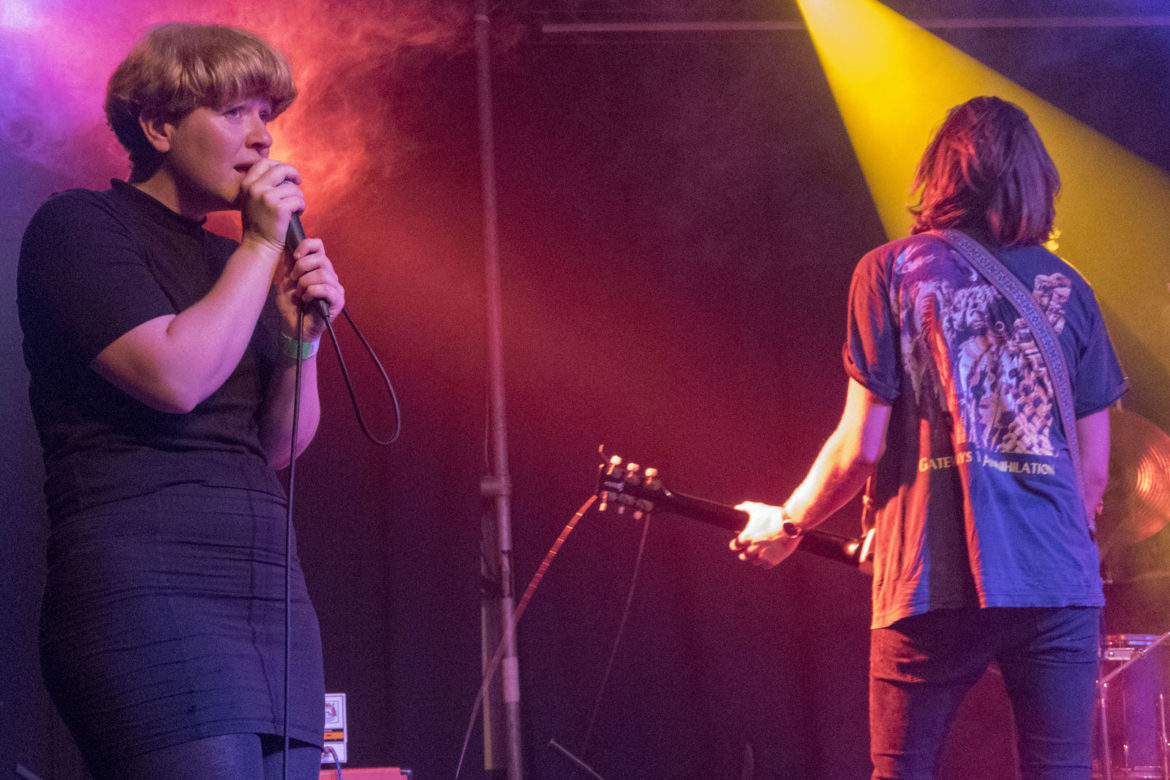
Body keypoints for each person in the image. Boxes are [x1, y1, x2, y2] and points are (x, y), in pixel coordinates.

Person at [730, 96, 1126, 780]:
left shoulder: (888, 272)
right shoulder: (1073, 290)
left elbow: (859, 446)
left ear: (941, 175)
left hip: (931, 578)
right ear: (1038, 182)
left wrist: (788, 521)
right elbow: (1093, 474)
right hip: (1056, 581)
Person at [17, 22, 344, 779]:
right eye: (235, 113)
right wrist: (264, 250)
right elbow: (174, 379)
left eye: (268, 114)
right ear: (160, 126)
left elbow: (277, 446)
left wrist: (302, 344)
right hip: (144, 579)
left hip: (266, 589)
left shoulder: (237, 264)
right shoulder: (79, 227)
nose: (262, 138)